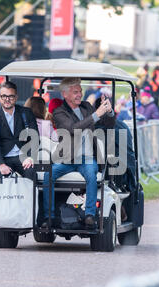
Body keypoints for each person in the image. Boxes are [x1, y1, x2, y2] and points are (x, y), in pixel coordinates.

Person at [42, 77, 113, 229]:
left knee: (91, 175)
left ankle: (89, 215)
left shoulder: (87, 107)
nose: (79, 94)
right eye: (75, 92)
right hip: (67, 159)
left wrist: (108, 111)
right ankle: (49, 216)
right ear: (65, 94)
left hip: (87, 158)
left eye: (80, 91)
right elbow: (73, 128)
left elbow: (107, 124)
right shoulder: (59, 112)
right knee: (49, 175)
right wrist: (96, 115)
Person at [0, 81, 38, 179]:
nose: (7, 99)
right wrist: (1, 164)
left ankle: (30, 194)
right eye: (4, 96)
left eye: (11, 96)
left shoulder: (26, 113)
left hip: (23, 156)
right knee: (0, 177)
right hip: (3, 158)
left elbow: (35, 138)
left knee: (31, 172)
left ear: (16, 97)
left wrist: (30, 157)